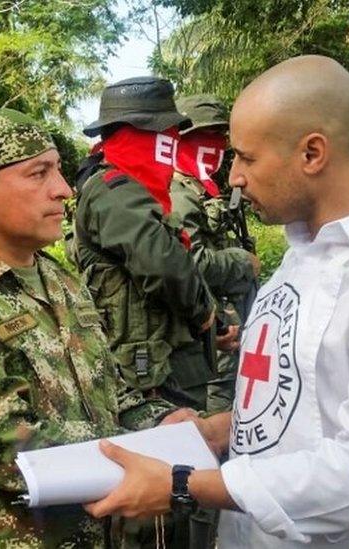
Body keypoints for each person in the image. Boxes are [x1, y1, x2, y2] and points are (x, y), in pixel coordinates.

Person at [84, 55, 349, 548]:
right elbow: (301, 409)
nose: (235, 178)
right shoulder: (301, 258)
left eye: (247, 157)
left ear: (312, 153)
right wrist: (217, 432)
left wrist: (183, 486)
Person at [0, 107, 170, 547]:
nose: (63, 190)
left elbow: (115, 397)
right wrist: (152, 451)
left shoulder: (61, 282)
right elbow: (8, 446)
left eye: (59, 171)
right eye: (39, 174)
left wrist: (172, 424)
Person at [72, 77, 234, 549]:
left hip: (168, 357)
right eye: (164, 134)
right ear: (137, 132)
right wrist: (207, 314)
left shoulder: (136, 190)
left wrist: (214, 326)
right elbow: (163, 266)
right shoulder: (113, 189)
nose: (171, 145)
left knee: (183, 488)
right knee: (160, 503)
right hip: (147, 369)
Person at [170, 94, 259, 413]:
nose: (215, 145)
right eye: (204, 137)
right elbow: (190, 262)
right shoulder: (177, 193)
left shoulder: (202, 188)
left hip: (229, 322)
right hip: (213, 332)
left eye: (219, 137)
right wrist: (243, 262)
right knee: (220, 412)